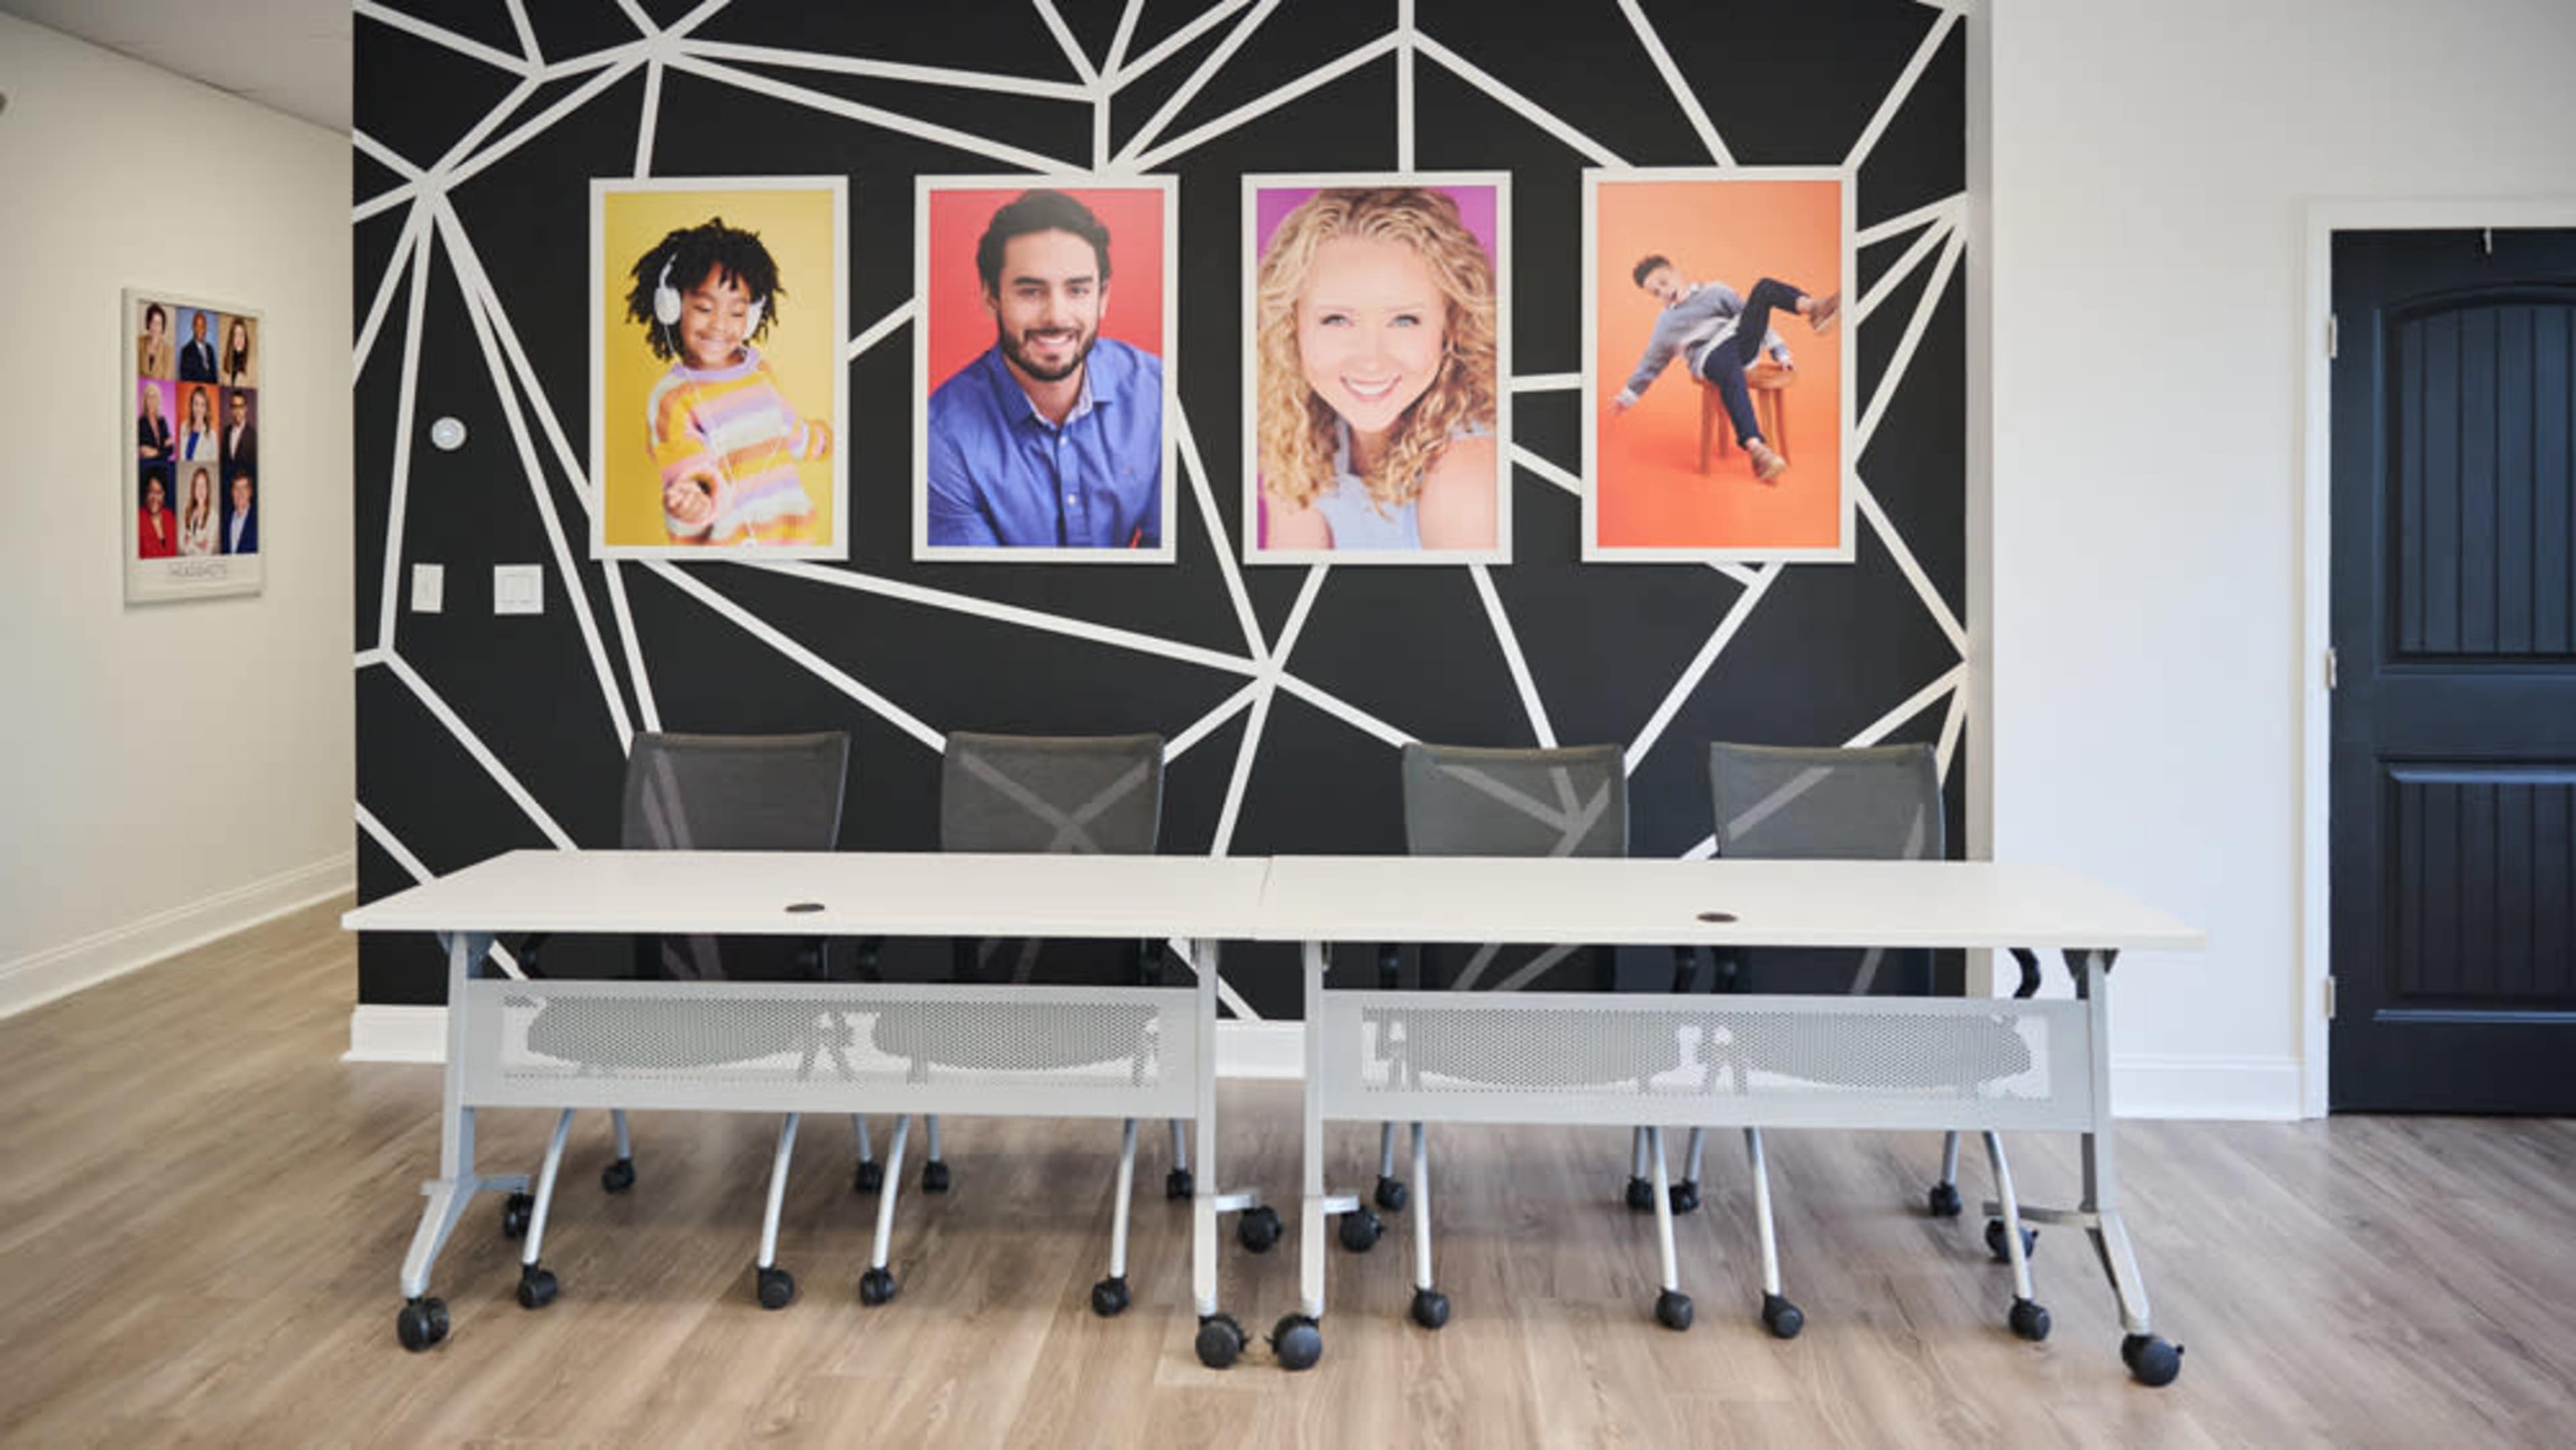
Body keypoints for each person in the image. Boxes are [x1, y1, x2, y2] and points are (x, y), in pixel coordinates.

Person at [1254, 187, 1498, 551]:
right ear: (1292, 326)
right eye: (1337, 319)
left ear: (1450, 325)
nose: (1371, 359)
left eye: (1404, 320)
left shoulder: (1466, 473)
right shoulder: (1299, 431)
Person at [924, 190, 1162, 549]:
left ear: (1103, 297)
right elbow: (977, 591)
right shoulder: (940, 437)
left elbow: (1173, 566)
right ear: (991, 297)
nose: (1056, 316)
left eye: (1078, 290)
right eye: (1031, 292)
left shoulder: (1157, 392)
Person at [623, 217, 833, 545]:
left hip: (790, 536)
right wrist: (695, 498)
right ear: (672, 306)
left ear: (750, 319)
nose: (720, 324)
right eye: (705, 307)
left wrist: (818, 440)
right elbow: (689, 466)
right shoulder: (673, 397)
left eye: (736, 313)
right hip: (730, 545)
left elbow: (781, 425)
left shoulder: (759, 369)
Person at [1610, 256, 1837, 482]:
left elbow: (1752, 316)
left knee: (1764, 287)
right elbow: (1651, 363)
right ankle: (1757, 450)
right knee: (1727, 365)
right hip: (1710, 356)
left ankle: (1815, 308)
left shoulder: (1715, 292)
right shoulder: (1666, 324)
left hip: (1741, 343)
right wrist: (1628, 396)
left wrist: (1780, 350)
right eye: (1656, 293)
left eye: (1664, 282)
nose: (1663, 292)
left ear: (1676, 272)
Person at [178, 467, 219, 556]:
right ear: (193, 489)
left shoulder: (214, 516)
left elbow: (207, 551)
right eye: (197, 485)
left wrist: (189, 541)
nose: (201, 490)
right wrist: (198, 544)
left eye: (203, 485)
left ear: (208, 489)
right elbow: (181, 544)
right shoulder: (188, 510)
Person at [138, 475, 177, 559]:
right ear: (146, 494)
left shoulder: (170, 517)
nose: (155, 498)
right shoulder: (137, 520)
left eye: (159, 493)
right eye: (151, 492)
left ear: (164, 495)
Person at [178, 386, 219, 463]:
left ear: (207, 409)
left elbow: (214, 461)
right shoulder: (183, 427)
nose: (199, 409)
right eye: (196, 404)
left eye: (202, 405)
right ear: (191, 405)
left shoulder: (212, 435)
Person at [137, 384, 172, 465]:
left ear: (158, 400)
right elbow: (144, 451)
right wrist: (163, 449)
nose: (151, 401)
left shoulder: (162, 421)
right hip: (148, 465)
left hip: (164, 464)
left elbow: (171, 449)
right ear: (145, 400)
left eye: (154, 397)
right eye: (149, 397)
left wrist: (155, 452)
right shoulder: (141, 422)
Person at [178, 310, 218, 382]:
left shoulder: (210, 349)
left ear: (206, 327)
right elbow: (185, 380)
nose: (201, 329)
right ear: (193, 327)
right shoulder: (186, 351)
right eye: (198, 326)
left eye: (203, 326)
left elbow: (215, 378)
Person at [223, 472, 258, 555]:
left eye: (244, 488)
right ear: (232, 492)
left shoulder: (258, 521)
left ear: (250, 492)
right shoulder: (224, 521)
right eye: (236, 488)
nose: (240, 493)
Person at [224, 390, 258, 473]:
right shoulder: (226, 432)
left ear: (246, 409)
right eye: (235, 407)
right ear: (231, 410)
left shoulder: (253, 435)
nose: (238, 411)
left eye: (241, 407)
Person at [137, 302, 173, 379]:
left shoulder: (168, 351)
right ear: (148, 323)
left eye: (159, 324)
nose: (156, 327)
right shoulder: (138, 343)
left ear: (163, 327)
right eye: (153, 322)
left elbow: (167, 380)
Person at [221, 317, 255, 388]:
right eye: (235, 335)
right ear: (231, 338)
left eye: (241, 335)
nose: (239, 339)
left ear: (246, 338)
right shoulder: (225, 361)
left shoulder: (252, 363)